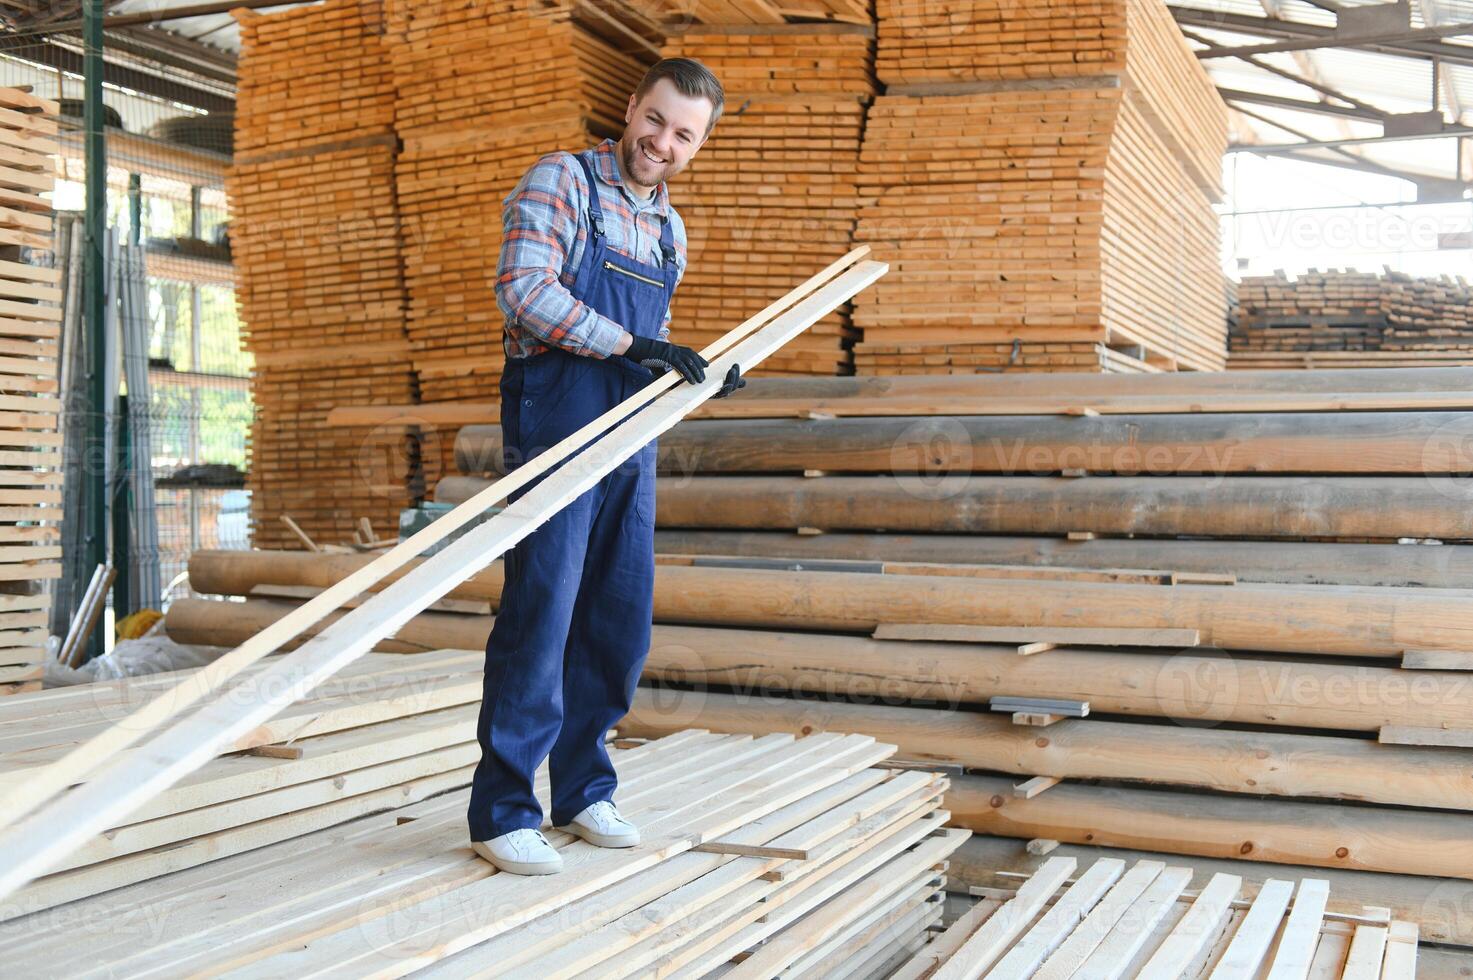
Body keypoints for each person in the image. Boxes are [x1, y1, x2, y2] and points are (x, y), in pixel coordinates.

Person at [466, 58, 742, 876]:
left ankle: (582, 789)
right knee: (543, 606)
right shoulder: (565, 181)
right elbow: (522, 291)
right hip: (557, 416)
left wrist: (697, 373)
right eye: (654, 120)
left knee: (617, 615)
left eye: (683, 134)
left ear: (699, 144)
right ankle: (504, 808)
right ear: (630, 108)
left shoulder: (668, 229)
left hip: (629, 430)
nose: (661, 143)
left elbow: (653, 336)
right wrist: (640, 347)